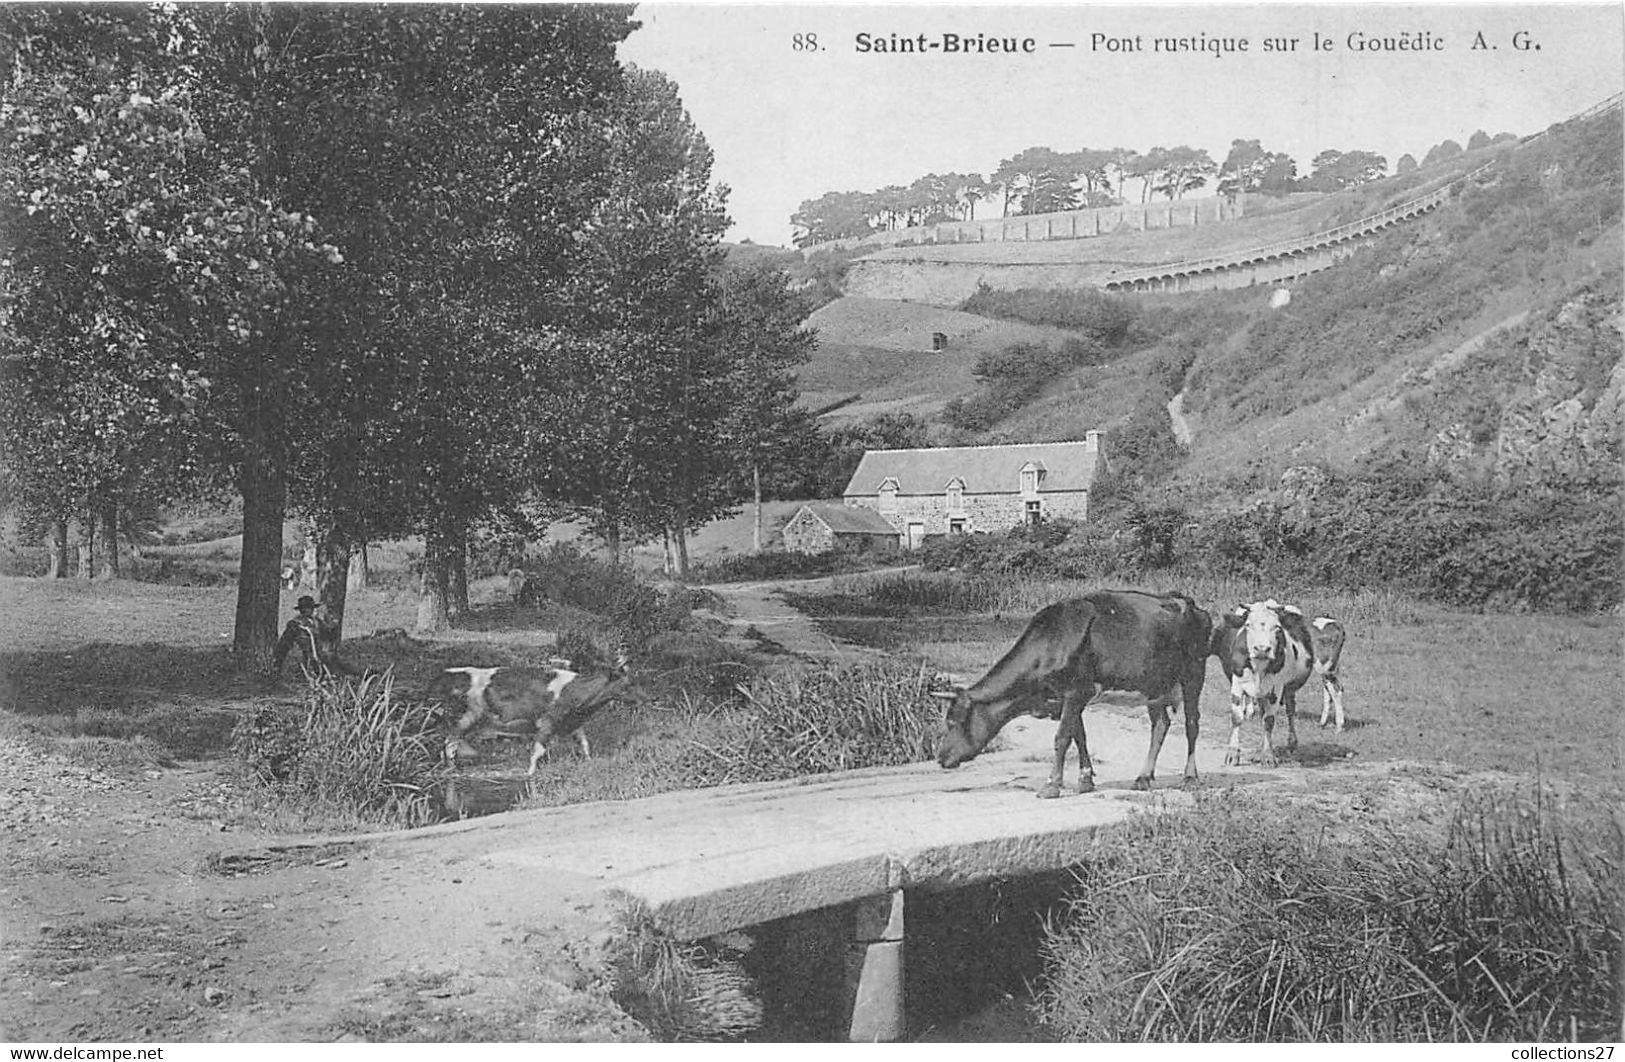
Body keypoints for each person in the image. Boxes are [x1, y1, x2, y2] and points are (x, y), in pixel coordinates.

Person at [273, 595, 355, 678]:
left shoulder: (317, 622)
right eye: (304, 608)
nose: (308, 610)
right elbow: (283, 645)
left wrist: (332, 625)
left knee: (341, 666)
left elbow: (328, 635)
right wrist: (277, 664)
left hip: (322, 655)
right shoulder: (295, 625)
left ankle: (359, 674)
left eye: (310, 608)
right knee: (335, 670)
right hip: (308, 658)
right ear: (300, 610)